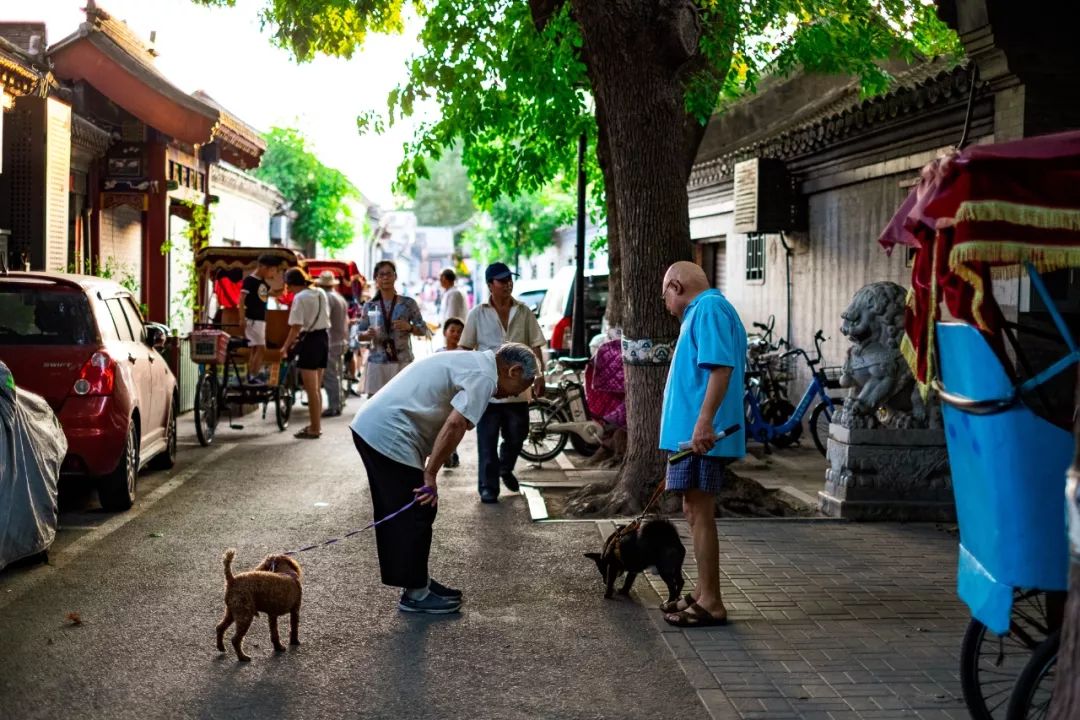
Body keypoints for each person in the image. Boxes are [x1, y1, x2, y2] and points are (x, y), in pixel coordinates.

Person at [349, 343, 538, 614]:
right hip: (387, 432)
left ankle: (417, 582)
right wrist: (430, 474)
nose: (520, 393)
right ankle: (415, 593)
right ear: (514, 370)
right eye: (524, 383)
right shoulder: (485, 377)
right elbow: (455, 424)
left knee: (415, 508)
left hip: (378, 426)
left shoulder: (476, 363)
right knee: (418, 506)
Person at [657, 261, 746, 628]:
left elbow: (720, 368)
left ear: (676, 285)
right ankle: (703, 590)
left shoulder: (708, 308)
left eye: (665, 295)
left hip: (699, 437)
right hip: (692, 436)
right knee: (693, 510)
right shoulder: (706, 310)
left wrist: (704, 421)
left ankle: (711, 601)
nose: (666, 304)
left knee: (700, 510)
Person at [460, 262, 546, 503]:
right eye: (502, 280)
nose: (508, 284)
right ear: (490, 285)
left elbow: (536, 344)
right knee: (486, 440)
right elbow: (465, 348)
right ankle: (488, 487)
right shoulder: (477, 313)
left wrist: (540, 375)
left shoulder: (524, 311)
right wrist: (467, 382)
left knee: (518, 434)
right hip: (488, 389)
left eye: (510, 279)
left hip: (518, 389)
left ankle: (505, 467)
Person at [356, 261, 427, 396]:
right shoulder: (369, 306)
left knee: (401, 403)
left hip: (402, 361)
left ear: (395, 276)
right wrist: (367, 333)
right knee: (375, 406)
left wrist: (409, 327)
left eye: (389, 274)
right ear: (376, 279)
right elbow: (359, 335)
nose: (385, 278)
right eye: (381, 275)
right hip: (377, 362)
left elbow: (423, 330)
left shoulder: (408, 303)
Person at [282, 268, 331, 439]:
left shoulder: (299, 297)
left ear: (291, 284)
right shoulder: (320, 293)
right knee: (316, 389)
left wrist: (285, 347)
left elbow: (296, 327)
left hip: (309, 342)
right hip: (323, 339)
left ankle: (315, 428)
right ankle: (314, 425)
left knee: (311, 390)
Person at [238, 254, 283, 384]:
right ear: (263, 267)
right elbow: (241, 300)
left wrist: (281, 289)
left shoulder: (262, 282)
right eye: (273, 270)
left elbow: (269, 293)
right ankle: (253, 375)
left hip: (260, 320)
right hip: (252, 319)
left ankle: (251, 375)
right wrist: (241, 319)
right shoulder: (250, 281)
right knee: (261, 348)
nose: (273, 273)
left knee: (255, 349)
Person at [316, 271, 349, 418]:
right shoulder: (339, 297)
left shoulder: (327, 297)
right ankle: (339, 402)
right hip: (341, 339)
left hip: (331, 341)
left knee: (330, 376)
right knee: (338, 374)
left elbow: (325, 319)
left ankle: (334, 406)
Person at [436, 317, 466, 468]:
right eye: (452, 330)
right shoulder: (438, 353)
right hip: (442, 395)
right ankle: (446, 453)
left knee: (453, 425)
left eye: (459, 332)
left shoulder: (464, 353)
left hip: (457, 395)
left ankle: (451, 452)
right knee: (441, 425)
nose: (455, 334)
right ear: (444, 332)